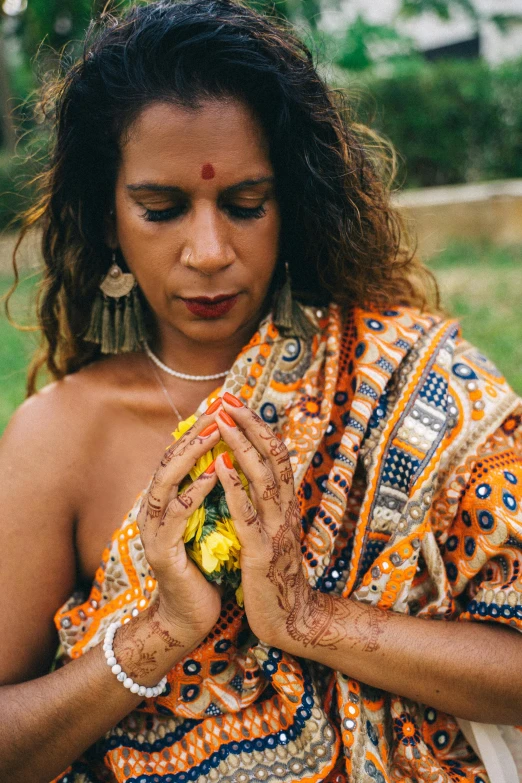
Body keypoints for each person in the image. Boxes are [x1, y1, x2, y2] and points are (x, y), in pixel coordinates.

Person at [1, 1, 521, 781]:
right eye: (161, 208)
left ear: (293, 204)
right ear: (109, 219)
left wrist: (309, 618)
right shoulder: (60, 436)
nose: (208, 251)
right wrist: (161, 633)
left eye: (246, 205)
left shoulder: (414, 381)